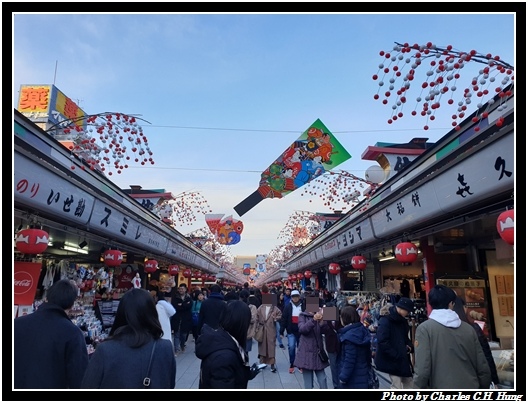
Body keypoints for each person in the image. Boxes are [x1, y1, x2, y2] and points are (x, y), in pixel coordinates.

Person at [81, 288, 176, 388]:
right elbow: (169, 383)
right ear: (152, 313)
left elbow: (88, 385)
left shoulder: (105, 349)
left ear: (121, 313)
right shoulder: (165, 348)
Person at [14, 279, 89, 389]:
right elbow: (79, 378)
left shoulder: (17, 324)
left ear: (47, 298)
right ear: (72, 304)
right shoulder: (72, 333)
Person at [413, 285, 492, 389]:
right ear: (451, 303)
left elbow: (422, 369)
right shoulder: (468, 329)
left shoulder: (425, 329)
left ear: (430, 303)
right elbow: (482, 365)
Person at [195, 300, 262, 388]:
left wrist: (247, 374)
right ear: (241, 323)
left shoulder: (225, 341)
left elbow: (230, 375)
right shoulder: (224, 357)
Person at [453, 297, 500, 386]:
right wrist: (494, 380)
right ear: (464, 308)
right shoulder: (473, 328)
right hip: (476, 378)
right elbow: (487, 355)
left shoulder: (444, 331)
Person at [374, 297, 415, 389]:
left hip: (401, 357)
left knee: (408, 382)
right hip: (393, 358)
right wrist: (396, 354)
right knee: (397, 385)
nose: (408, 313)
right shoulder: (386, 320)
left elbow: (404, 337)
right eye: (407, 311)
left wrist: (409, 346)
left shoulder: (402, 321)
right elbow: (383, 341)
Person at [336, 305, 373, 388]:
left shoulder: (349, 337)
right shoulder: (362, 330)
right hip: (363, 373)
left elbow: (349, 360)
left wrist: (343, 377)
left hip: (352, 378)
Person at [294, 305, 329, 388]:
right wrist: (313, 320)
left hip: (318, 353)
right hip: (306, 353)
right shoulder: (302, 315)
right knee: (308, 383)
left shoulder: (320, 313)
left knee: (322, 379)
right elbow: (302, 329)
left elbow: (326, 331)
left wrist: (322, 322)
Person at [256, 294, 282, 373]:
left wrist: (275, 318)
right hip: (262, 330)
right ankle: (262, 363)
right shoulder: (261, 307)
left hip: (271, 330)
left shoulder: (274, 308)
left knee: (271, 348)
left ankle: (272, 365)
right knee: (262, 347)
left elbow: (280, 315)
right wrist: (257, 327)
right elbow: (256, 317)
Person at [280, 289, 303, 374]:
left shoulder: (303, 306)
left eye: (296, 296)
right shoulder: (288, 307)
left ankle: (300, 364)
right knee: (292, 347)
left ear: (299, 297)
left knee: (300, 348)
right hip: (291, 331)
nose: (295, 298)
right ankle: (292, 364)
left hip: (301, 331)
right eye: (293, 297)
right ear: (291, 297)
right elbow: (284, 319)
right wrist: (281, 331)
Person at [170, 283, 193, 354]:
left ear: (185, 290)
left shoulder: (189, 297)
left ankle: (182, 345)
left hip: (186, 319)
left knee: (183, 335)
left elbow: (189, 306)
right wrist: (184, 305)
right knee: (176, 334)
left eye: (182, 289)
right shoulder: (175, 297)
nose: (181, 290)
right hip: (177, 318)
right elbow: (175, 306)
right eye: (180, 289)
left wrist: (182, 305)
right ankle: (176, 349)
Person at [239, 289, 258, 353]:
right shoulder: (252, 307)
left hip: (238, 332)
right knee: (246, 352)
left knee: (239, 352)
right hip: (248, 332)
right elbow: (253, 319)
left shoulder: (237, 306)